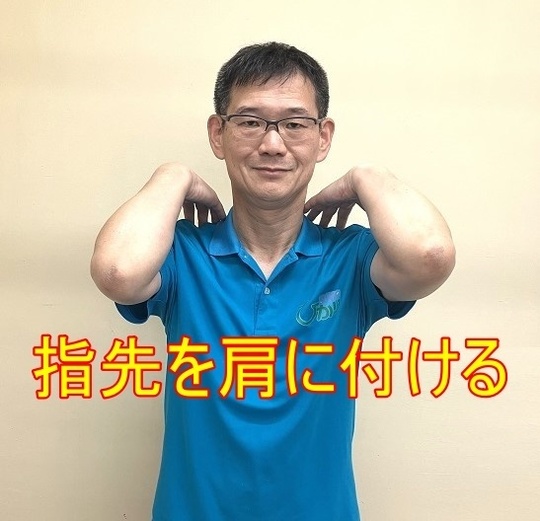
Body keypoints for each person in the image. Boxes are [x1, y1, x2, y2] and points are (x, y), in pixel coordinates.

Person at [91, 42, 455, 521]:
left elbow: (429, 255)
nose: (273, 144)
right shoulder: (184, 253)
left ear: (323, 137)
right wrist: (171, 177)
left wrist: (367, 177)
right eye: (250, 122)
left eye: (295, 124)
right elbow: (117, 272)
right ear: (218, 134)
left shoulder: (349, 258)